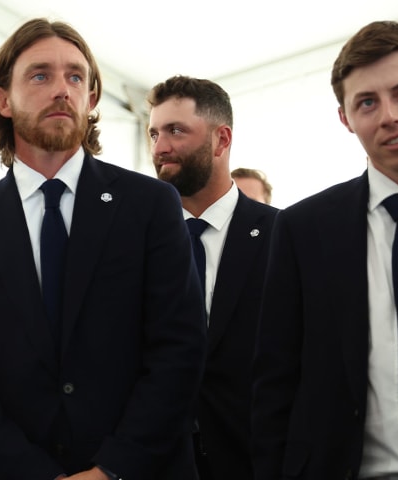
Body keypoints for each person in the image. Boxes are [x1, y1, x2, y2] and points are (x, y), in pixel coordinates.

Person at [0, 18, 206, 479]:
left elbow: (180, 351)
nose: (62, 89)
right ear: (3, 100)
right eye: (41, 75)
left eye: (76, 77)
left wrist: (110, 470)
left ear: (92, 98)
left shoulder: (150, 205)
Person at [251, 21, 398, 479]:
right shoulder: (303, 228)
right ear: (345, 118)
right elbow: (274, 383)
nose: (389, 116)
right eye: (367, 102)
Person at [147, 75, 279, 480]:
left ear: (222, 141)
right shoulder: (133, 240)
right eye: (153, 133)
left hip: (256, 460)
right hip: (155, 461)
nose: (159, 147)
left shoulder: (283, 235)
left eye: (175, 130)